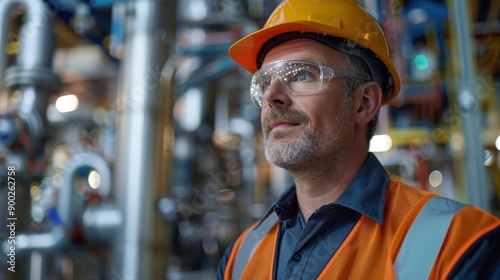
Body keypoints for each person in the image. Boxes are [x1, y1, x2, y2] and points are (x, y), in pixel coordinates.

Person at [217, 0, 500, 279]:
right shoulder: (239, 260)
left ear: (364, 103)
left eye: (302, 74)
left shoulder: (460, 244)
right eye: (265, 82)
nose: (271, 97)